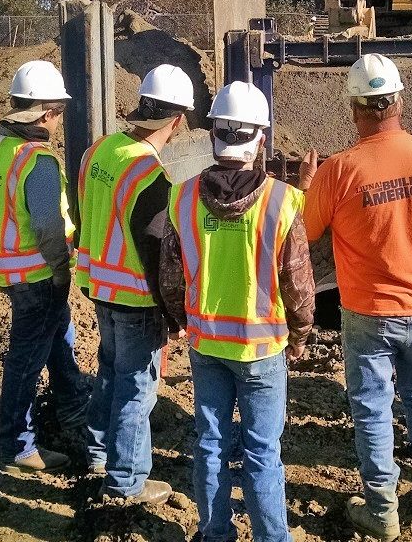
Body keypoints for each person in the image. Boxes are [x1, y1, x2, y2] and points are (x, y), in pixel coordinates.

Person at [300, 54, 412, 541]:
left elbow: (308, 231)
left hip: (365, 312)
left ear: (354, 108)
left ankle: (382, 510)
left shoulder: (337, 171)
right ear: (399, 100)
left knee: (372, 407)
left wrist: (304, 187)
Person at [159, 81, 315, 542]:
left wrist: (180, 321)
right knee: (263, 452)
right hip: (263, 350)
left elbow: (170, 275)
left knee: (209, 445)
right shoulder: (282, 201)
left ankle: (215, 534)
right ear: (260, 139)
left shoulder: (182, 197)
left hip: (205, 343)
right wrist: (303, 334)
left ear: (213, 137)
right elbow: (299, 284)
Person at [78, 64, 193, 504]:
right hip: (136, 299)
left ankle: (98, 452)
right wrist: (174, 311)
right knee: (137, 389)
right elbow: (156, 254)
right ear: (178, 120)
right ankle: (127, 481)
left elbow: (87, 210)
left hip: (99, 285)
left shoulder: (100, 150)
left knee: (109, 374)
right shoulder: (149, 175)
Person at [0, 60, 84, 475]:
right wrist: (60, 271)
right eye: (57, 111)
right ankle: (17, 447)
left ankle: (72, 403)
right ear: (46, 112)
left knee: (59, 336)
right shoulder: (37, 160)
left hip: (11, 271)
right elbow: (46, 227)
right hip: (38, 274)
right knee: (25, 361)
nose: (57, 120)